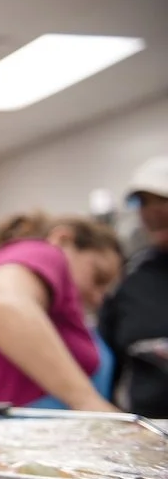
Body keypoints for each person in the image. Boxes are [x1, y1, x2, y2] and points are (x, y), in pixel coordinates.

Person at [0, 212, 124, 414]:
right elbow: (1, 300)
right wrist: (87, 401)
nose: (99, 298)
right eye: (99, 277)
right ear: (63, 239)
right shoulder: (44, 252)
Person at [99, 156, 168, 418]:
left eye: (163, 200)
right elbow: (108, 363)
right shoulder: (131, 279)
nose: (153, 211)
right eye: (144, 202)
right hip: (152, 431)